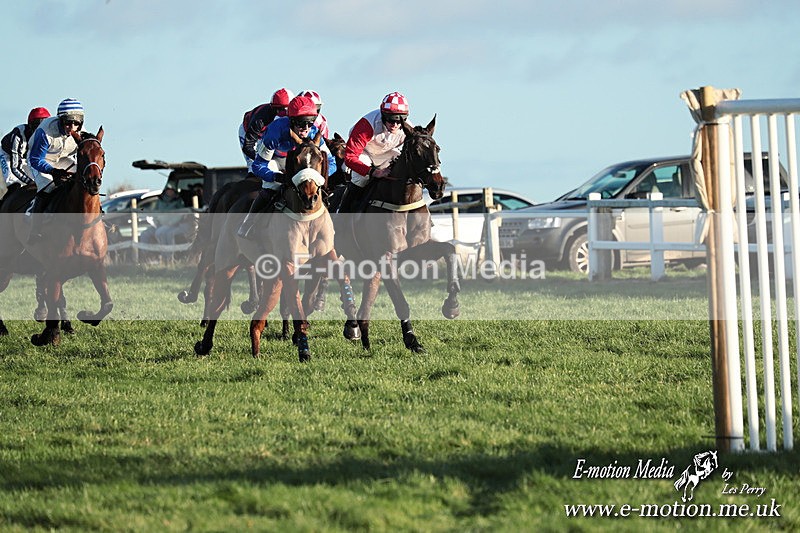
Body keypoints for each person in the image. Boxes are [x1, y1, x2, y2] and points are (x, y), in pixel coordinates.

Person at [237, 95, 337, 239]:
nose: (306, 129)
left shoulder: (314, 133)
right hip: (275, 159)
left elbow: (331, 164)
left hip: (299, 163)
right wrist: (278, 176)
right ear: (291, 120)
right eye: (302, 123)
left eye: (311, 123)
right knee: (271, 186)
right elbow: (259, 165)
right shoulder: (275, 131)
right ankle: (250, 222)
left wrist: (316, 176)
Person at [337, 91, 412, 212]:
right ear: (383, 115)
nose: (395, 125)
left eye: (399, 121)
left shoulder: (408, 128)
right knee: (360, 179)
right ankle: (343, 214)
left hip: (387, 153)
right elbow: (350, 157)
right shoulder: (366, 125)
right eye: (391, 120)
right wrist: (372, 172)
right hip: (363, 152)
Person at [26, 98, 85, 242]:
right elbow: (36, 159)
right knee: (48, 186)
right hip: (39, 160)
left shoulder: (80, 132)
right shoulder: (45, 132)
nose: (71, 127)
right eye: (67, 122)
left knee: (84, 177)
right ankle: (35, 229)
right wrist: (53, 171)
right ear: (60, 120)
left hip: (61, 158)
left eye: (76, 123)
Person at [0, 107, 51, 199]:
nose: (39, 132)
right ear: (30, 126)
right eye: (37, 127)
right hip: (8, 156)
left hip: (26, 157)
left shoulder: (49, 137)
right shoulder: (18, 136)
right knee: (15, 186)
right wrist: (30, 182)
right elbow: (15, 168)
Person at [239, 87, 294, 171]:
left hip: (268, 134)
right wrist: (262, 160)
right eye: (278, 109)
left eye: (286, 109)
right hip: (251, 133)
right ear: (272, 108)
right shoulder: (260, 119)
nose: (282, 113)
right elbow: (248, 146)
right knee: (255, 167)